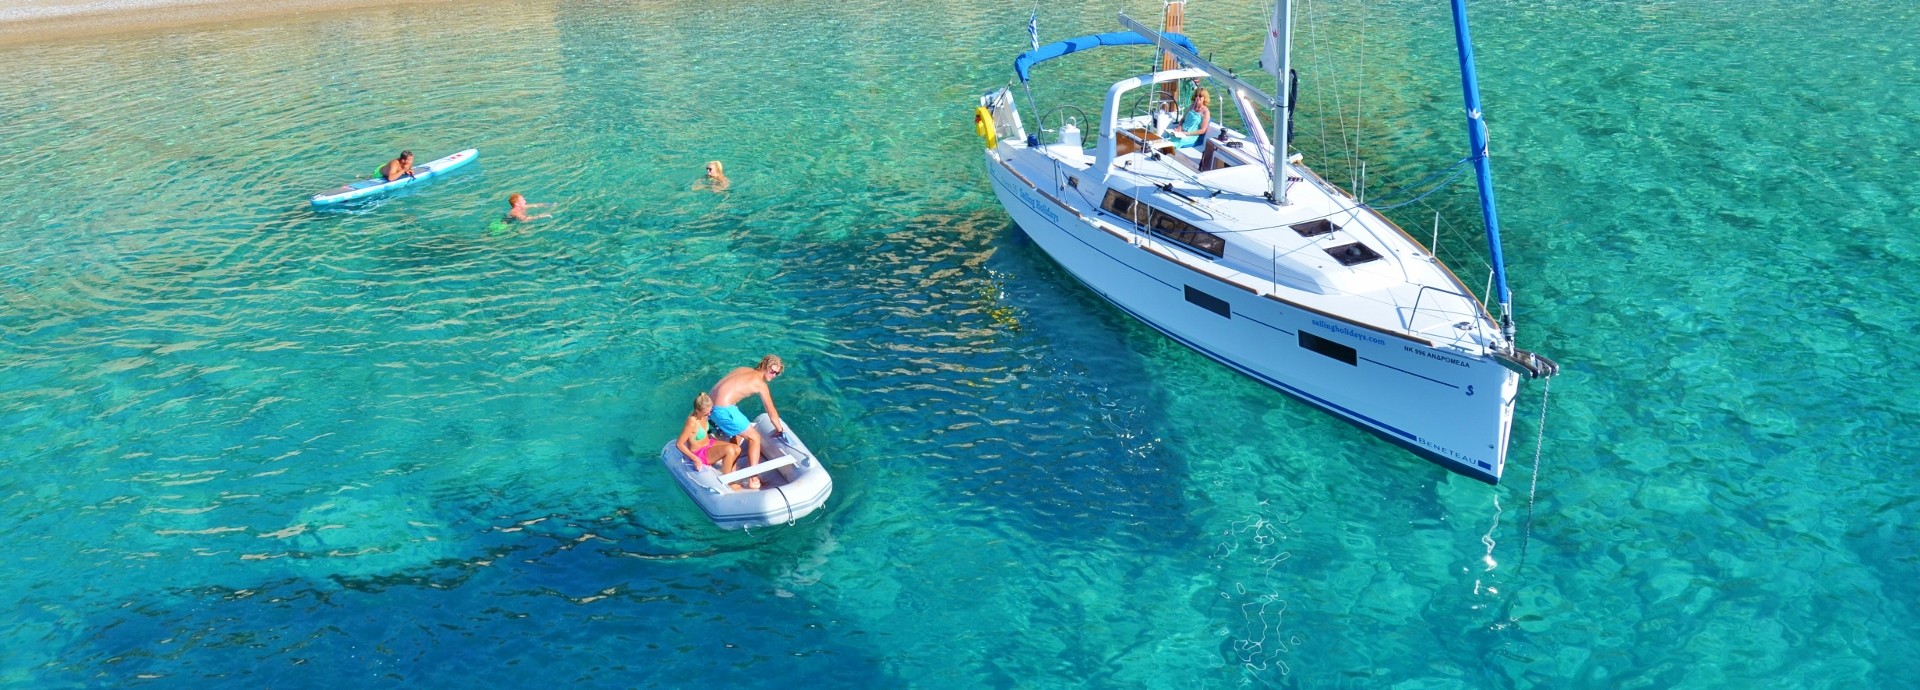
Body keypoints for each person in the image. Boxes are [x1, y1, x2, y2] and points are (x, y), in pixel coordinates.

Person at [707, 355, 787, 491]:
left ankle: (731, 466)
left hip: (710, 406)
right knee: (754, 438)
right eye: (772, 371)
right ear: (764, 366)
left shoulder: (742, 369)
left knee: (738, 432)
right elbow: (772, 413)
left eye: (777, 373)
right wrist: (780, 430)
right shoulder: (760, 384)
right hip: (723, 410)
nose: (774, 375)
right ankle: (753, 478)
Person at [675, 392, 746, 490]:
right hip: (699, 452)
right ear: (697, 410)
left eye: (710, 412)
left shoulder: (704, 415)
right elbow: (679, 444)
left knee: (737, 449)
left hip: (709, 443)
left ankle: (730, 473)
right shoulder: (691, 422)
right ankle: (728, 481)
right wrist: (695, 459)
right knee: (729, 449)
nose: (708, 414)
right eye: (706, 413)